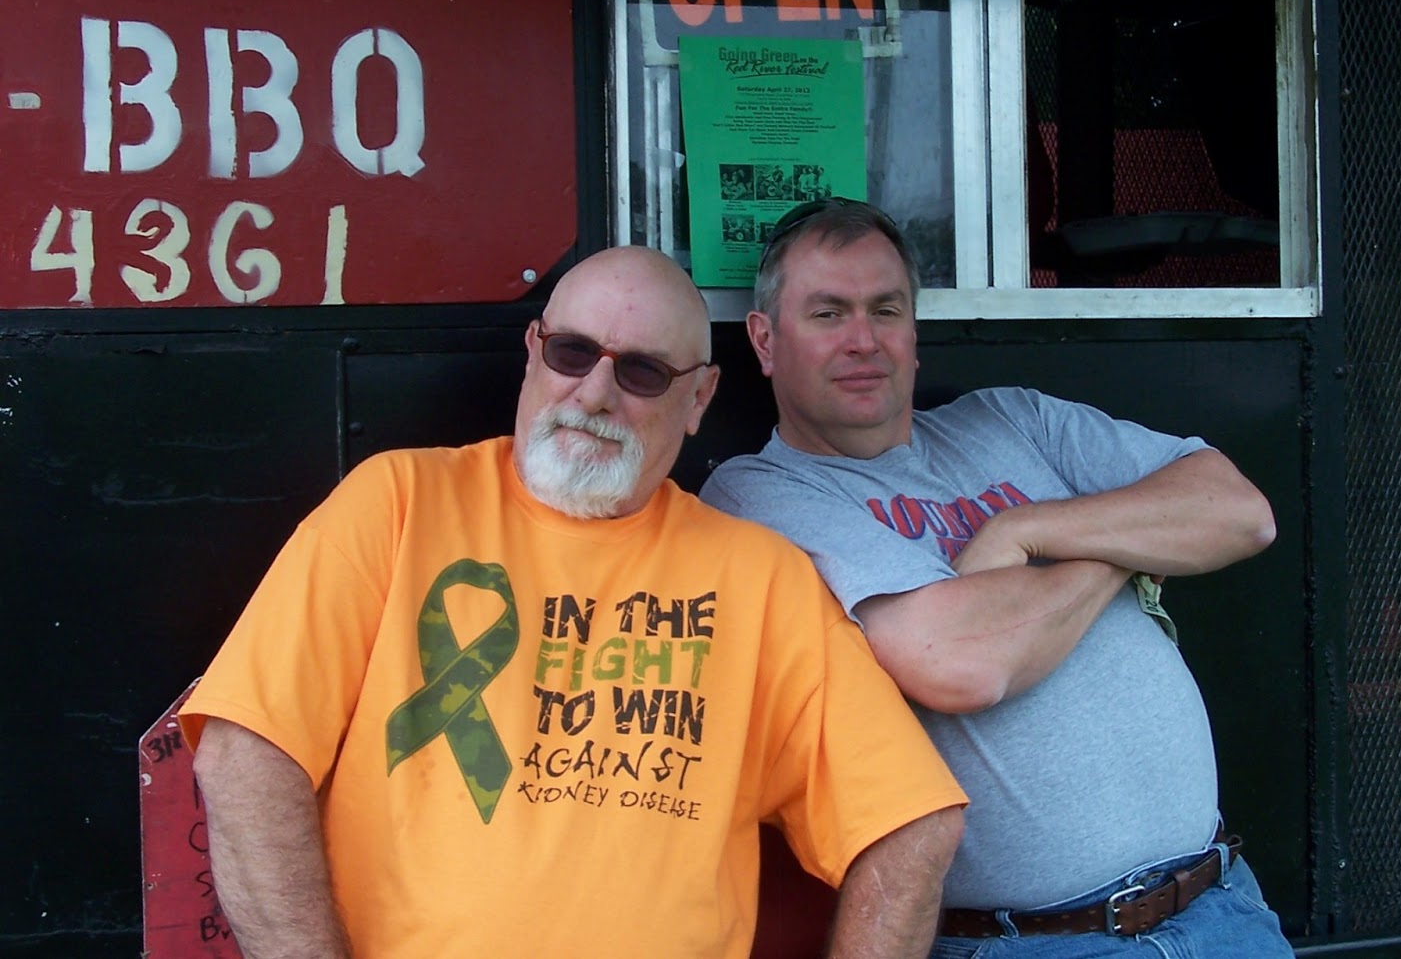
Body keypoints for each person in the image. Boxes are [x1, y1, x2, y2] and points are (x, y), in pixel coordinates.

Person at [181, 246, 967, 958]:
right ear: (533, 353)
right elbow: (247, 750)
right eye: (571, 353)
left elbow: (911, 820)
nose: (594, 394)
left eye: (643, 373)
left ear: (699, 398)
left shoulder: (760, 580)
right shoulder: (397, 504)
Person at [700, 200, 1297, 956]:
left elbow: (1242, 513)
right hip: (1039, 941)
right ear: (765, 339)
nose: (863, 339)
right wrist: (1126, 549)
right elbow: (962, 663)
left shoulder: (1012, 420)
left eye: (886, 309)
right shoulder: (760, 494)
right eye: (828, 313)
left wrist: (1027, 530)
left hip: (1222, 907)